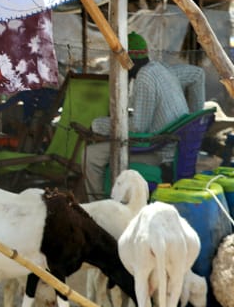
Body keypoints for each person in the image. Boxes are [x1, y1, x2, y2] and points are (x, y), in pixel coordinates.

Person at [84, 31, 205, 201]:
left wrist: (98, 125)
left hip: (159, 152)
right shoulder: (162, 68)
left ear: (127, 61)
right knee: (102, 149)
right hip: (175, 146)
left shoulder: (144, 77)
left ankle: (98, 208)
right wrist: (193, 120)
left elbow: (138, 128)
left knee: (90, 155)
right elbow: (198, 74)